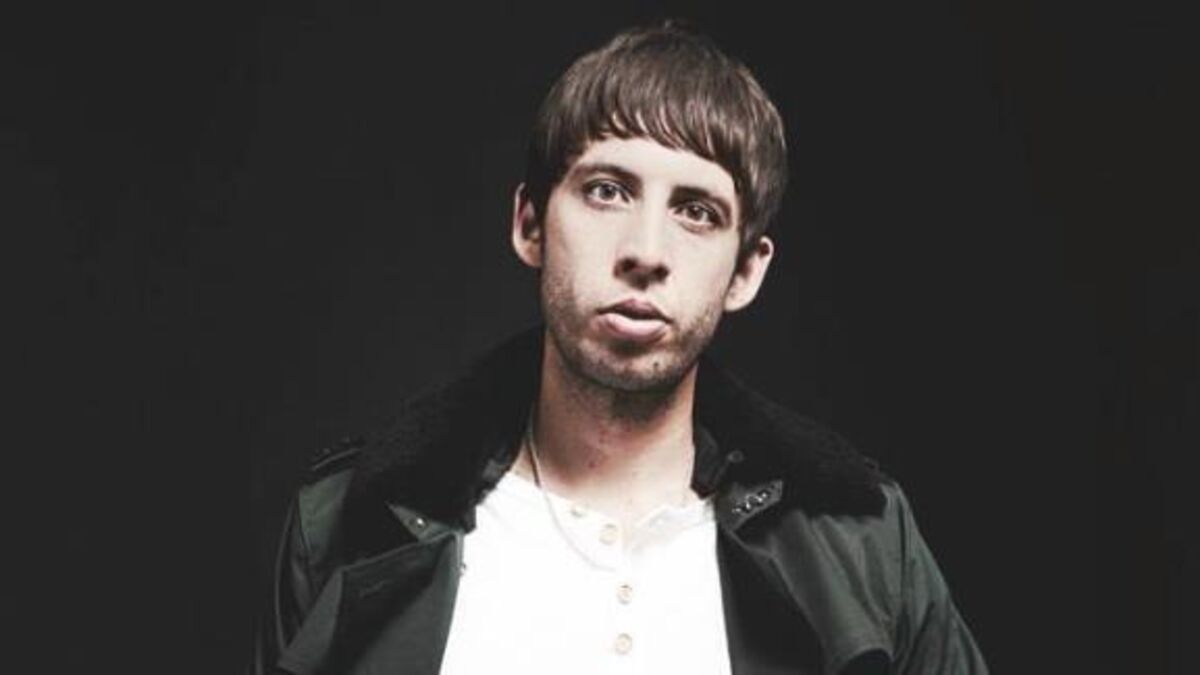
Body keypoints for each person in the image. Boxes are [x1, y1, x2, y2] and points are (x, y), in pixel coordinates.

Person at [250, 21, 988, 675]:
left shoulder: (861, 542)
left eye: (696, 212)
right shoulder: (350, 523)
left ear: (746, 270)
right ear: (530, 224)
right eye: (607, 191)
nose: (646, 251)